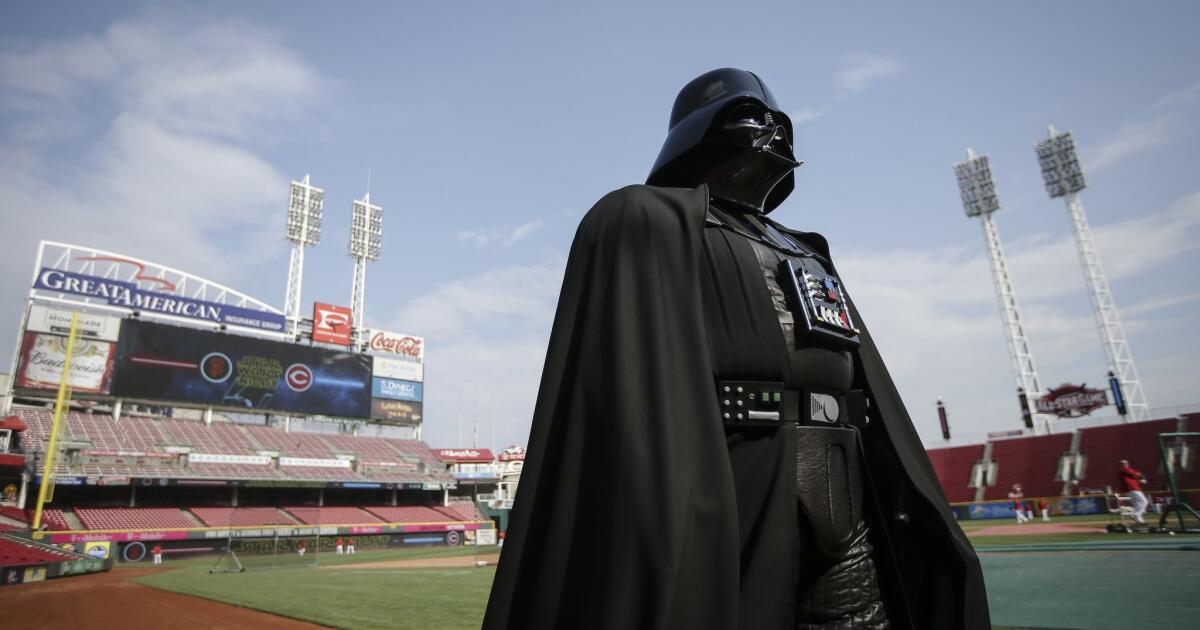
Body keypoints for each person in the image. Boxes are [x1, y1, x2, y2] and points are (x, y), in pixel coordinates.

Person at [482, 68, 989, 630]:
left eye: (779, 122)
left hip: (845, 476)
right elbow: (629, 375)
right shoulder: (648, 218)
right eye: (751, 116)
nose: (771, 132)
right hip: (734, 473)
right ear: (699, 133)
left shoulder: (806, 249)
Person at [1119, 459, 1148, 524]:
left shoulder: (1127, 472)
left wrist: (1139, 477)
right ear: (1121, 465)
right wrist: (1140, 475)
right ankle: (1135, 514)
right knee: (1144, 501)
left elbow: (1135, 476)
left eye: (1126, 463)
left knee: (1137, 505)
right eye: (1123, 464)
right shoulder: (1124, 469)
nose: (1125, 464)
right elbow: (1136, 473)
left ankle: (1139, 520)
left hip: (1130, 490)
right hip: (1132, 489)